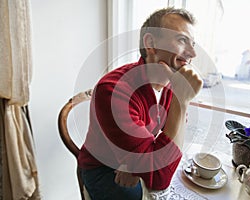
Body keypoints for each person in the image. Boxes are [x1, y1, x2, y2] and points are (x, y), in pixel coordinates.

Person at [78, 7, 202, 200]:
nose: (193, 53)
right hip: (103, 168)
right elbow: (159, 179)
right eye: (182, 40)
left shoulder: (170, 81)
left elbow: (177, 125)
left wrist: (134, 162)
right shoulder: (113, 91)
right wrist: (181, 100)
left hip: (132, 156)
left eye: (193, 43)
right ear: (150, 43)